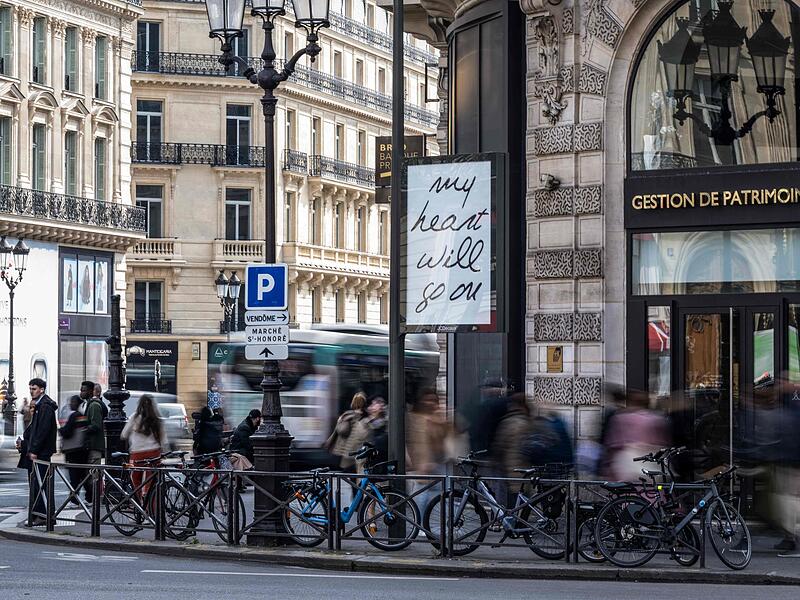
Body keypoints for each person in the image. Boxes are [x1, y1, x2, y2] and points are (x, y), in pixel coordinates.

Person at [17, 378, 57, 527]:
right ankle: (38, 515)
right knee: (36, 484)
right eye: (30, 388)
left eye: (34, 389)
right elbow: (34, 429)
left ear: (42, 389)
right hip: (37, 451)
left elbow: (42, 431)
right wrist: (25, 443)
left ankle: (43, 515)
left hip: (41, 453)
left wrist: (34, 449)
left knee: (41, 484)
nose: (31, 391)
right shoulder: (40, 405)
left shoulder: (45, 406)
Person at [120, 394, 167, 500]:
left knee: (135, 479)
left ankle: (139, 503)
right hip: (154, 453)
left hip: (138, 453)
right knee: (152, 481)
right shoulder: (157, 419)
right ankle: (152, 508)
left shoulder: (135, 417)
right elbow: (164, 439)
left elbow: (123, 434)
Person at [325, 392, 368, 471]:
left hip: (347, 452)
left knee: (350, 473)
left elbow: (342, 431)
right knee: (357, 474)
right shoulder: (366, 416)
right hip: (360, 451)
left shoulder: (346, 416)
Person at [59, 395, 88, 504]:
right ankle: (88, 496)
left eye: (72, 402)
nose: (70, 404)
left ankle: (74, 499)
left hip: (73, 451)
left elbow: (67, 432)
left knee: (74, 476)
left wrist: (60, 430)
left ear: (77, 404)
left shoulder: (74, 416)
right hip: (82, 450)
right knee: (81, 475)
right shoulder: (82, 416)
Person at [82, 380, 105, 499]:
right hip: (91, 445)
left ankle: (96, 499)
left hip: (94, 445)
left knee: (94, 474)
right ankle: (93, 497)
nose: (81, 392)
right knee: (90, 473)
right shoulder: (90, 404)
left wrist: (82, 428)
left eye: (84, 390)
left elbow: (96, 425)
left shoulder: (94, 405)